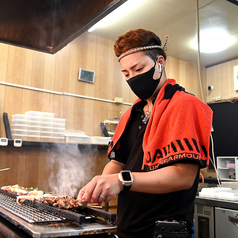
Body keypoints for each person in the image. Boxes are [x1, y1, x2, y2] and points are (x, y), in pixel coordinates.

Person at [78, 28, 213, 238]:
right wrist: (99, 185)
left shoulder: (185, 105)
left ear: (160, 63)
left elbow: (183, 176)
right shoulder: (130, 115)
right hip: (126, 227)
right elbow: (118, 163)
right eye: (126, 74)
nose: (132, 78)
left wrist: (122, 181)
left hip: (164, 231)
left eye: (138, 69)